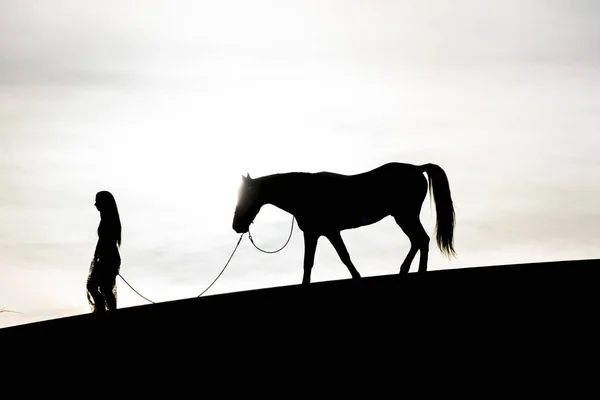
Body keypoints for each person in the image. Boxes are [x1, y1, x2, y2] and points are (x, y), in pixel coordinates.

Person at [86, 190, 122, 313]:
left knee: (100, 287)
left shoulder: (109, 220)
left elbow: (106, 241)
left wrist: (100, 255)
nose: (95, 204)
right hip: (106, 257)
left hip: (108, 257)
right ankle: (104, 310)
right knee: (101, 287)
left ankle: (104, 311)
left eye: (97, 201)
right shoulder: (106, 219)